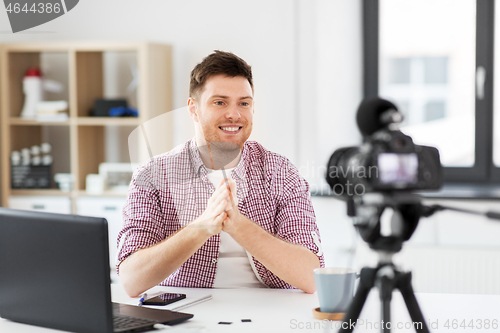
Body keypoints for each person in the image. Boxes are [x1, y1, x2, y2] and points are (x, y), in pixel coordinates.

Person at [117, 51, 324, 297]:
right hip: (186, 313)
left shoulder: (281, 172)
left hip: (271, 312)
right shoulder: (153, 175)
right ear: (193, 109)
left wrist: (238, 226)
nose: (234, 114)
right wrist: (202, 226)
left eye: (244, 103)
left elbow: (311, 278)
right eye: (220, 102)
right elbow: (131, 280)